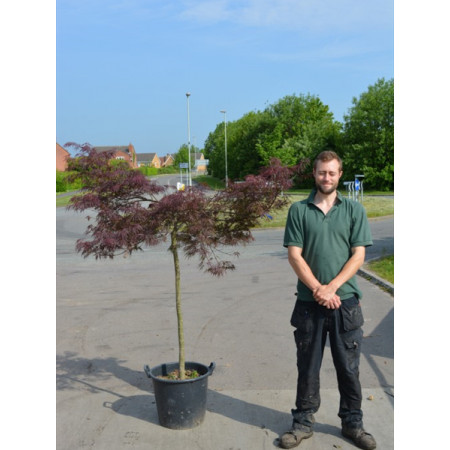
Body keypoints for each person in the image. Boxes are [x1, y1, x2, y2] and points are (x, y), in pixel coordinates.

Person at [279, 151, 376, 450]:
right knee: (307, 366)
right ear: (315, 174)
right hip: (309, 304)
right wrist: (318, 289)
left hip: (345, 303)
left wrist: (332, 287)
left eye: (332, 173)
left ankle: (353, 424)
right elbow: (295, 255)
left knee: (348, 367)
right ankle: (303, 422)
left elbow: (358, 255)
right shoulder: (299, 210)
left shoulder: (354, 211)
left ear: (339, 174)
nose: (327, 178)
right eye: (322, 172)